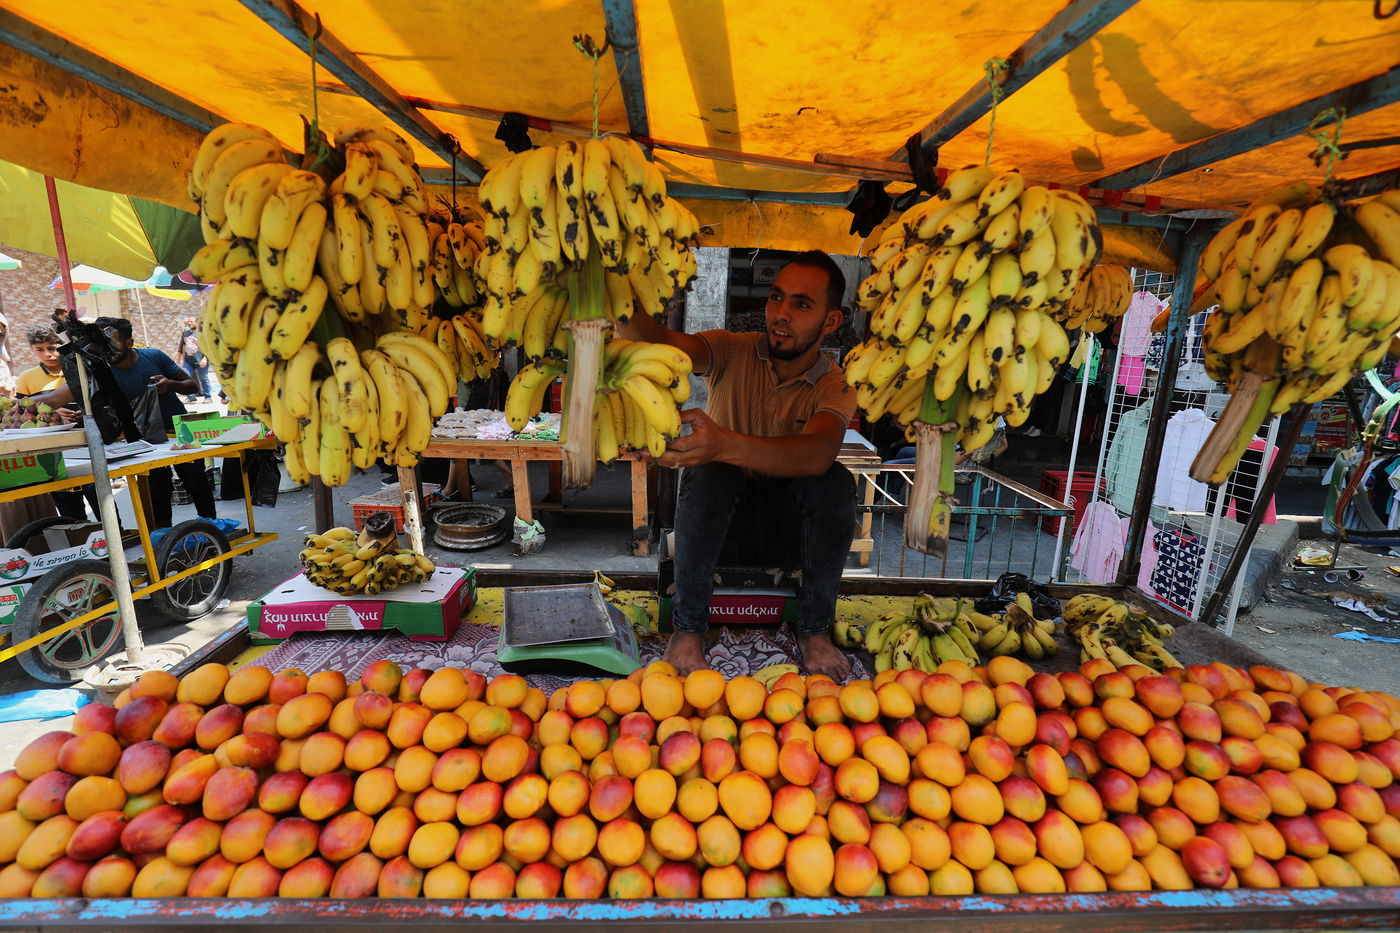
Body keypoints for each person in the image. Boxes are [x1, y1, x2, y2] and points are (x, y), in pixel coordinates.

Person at [619, 251, 857, 678]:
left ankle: (814, 631)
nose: (781, 315)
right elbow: (656, 342)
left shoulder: (835, 383)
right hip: (717, 533)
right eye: (776, 298)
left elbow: (818, 453)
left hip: (792, 540)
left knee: (834, 480)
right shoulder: (732, 350)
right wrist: (614, 283)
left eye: (801, 305)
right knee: (711, 471)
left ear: (831, 321)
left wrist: (721, 443)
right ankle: (688, 630)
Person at [33, 317, 217, 529]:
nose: (108, 348)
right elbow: (55, 398)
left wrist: (172, 384)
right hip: (145, 440)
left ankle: (213, 527)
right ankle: (163, 536)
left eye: (114, 342)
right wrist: (16, 403)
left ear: (129, 343)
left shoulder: (154, 356)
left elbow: (192, 385)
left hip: (178, 430)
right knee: (157, 489)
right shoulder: (100, 370)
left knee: (196, 482)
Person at [15, 323, 69, 396]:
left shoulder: (80, 371)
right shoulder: (26, 378)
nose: (47, 354)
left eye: (52, 349)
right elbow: (21, 406)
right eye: (40, 350)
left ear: (63, 346)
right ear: (32, 349)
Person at [173, 317, 212, 400]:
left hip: (200, 360)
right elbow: (181, 345)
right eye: (189, 322)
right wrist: (179, 357)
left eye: (192, 322)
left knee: (203, 378)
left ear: (197, 323)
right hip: (188, 361)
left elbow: (209, 347)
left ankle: (208, 397)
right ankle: (191, 396)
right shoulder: (185, 333)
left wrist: (205, 359)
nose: (190, 323)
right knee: (185, 377)